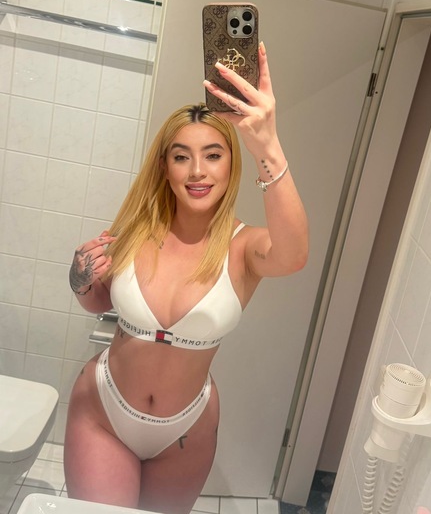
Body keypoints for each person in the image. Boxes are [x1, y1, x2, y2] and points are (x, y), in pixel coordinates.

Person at [64, 41, 308, 514]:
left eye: (213, 155)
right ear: (165, 166)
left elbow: (294, 256)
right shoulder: (135, 231)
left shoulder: (244, 247)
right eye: (182, 157)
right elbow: (98, 300)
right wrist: (80, 280)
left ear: (232, 163)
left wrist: (267, 144)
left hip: (186, 431)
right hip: (103, 412)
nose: (197, 171)